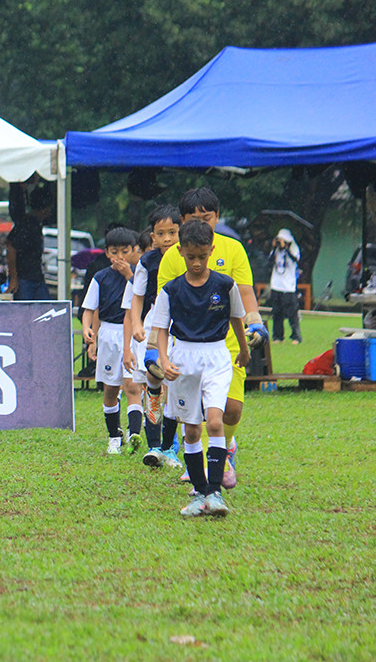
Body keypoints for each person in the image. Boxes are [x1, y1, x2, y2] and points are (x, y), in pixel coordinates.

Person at [156, 188, 267, 490]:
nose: (201, 224)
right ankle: (202, 467)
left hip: (224, 346)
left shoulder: (232, 249)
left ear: (217, 217)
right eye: (193, 219)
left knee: (231, 409)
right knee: (194, 417)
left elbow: (244, 294)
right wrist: (157, 351)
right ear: (182, 221)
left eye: (207, 218)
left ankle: (225, 450)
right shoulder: (173, 256)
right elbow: (162, 306)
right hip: (186, 347)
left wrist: (255, 324)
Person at [153, 220, 250, 517]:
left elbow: (237, 319)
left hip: (217, 357)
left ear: (212, 250)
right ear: (180, 251)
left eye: (202, 256)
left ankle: (215, 493)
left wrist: (244, 349)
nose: (196, 263)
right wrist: (165, 360)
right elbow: (161, 329)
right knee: (192, 429)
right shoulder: (171, 290)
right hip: (184, 359)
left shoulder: (225, 285)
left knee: (215, 422)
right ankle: (198, 493)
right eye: (191, 256)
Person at [122, 205, 183, 469]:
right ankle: (155, 446)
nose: (167, 238)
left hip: (183, 326)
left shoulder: (190, 256)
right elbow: (137, 297)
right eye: (161, 233)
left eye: (172, 232)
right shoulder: (147, 262)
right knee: (154, 379)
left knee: (176, 386)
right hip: (155, 326)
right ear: (152, 236)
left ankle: (172, 448)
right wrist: (137, 323)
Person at [81, 227, 141, 454]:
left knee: (132, 385)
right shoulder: (100, 277)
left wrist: (128, 276)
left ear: (134, 251)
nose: (120, 257)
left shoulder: (139, 276)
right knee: (110, 389)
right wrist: (89, 332)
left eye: (125, 252)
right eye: (114, 252)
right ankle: (114, 436)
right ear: (106, 253)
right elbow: (90, 308)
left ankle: (134, 433)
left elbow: (143, 298)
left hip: (133, 333)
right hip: (108, 333)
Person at [6, 185, 53, 300]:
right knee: (27, 309)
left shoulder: (35, 223)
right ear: (45, 209)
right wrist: (14, 278)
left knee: (45, 306)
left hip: (36, 277)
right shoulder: (28, 225)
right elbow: (11, 247)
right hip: (24, 279)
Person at [269, 228, 302, 344]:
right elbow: (269, 261)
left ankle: (296, 336)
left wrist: (286, 249)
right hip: (276, 285)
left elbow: (296, 259)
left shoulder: (294, 249)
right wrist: (275, 247)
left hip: (288, 286)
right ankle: (278, 336)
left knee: (292, 313)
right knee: (277, 312)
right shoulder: (276, 251)